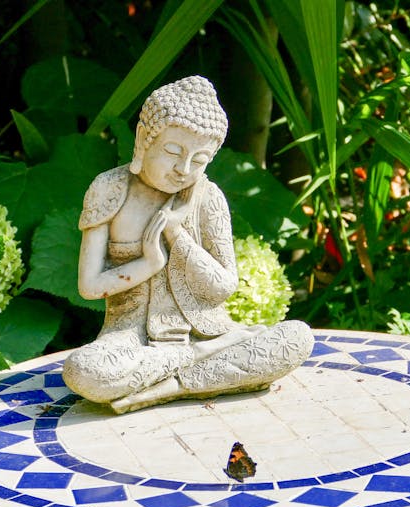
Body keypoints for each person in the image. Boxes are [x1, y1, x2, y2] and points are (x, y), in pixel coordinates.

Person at [62, 76, 313, 413]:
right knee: (83, 371)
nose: (183, 169)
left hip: (212, 334)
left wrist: (175, 234)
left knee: (297, 339)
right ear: (144, 139)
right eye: (172, 152)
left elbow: (223, 287)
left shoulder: (208, 197)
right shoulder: (110, 189)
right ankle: (199, 367)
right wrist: (149, 263)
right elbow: (90, 286)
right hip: (131, 340)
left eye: (198, 160)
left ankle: (169, 387)